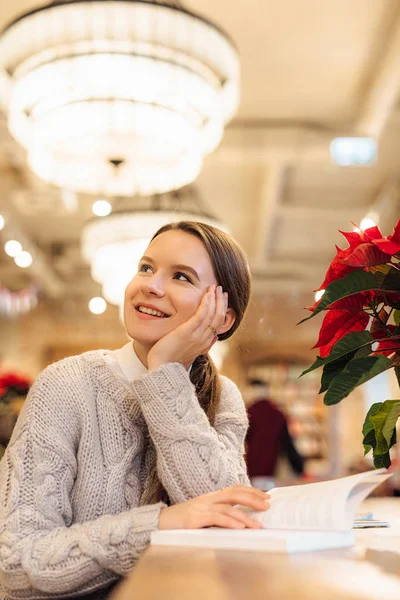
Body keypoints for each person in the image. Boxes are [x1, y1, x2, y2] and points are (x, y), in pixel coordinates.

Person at [0, 221, 270, 600]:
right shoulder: (65, 384)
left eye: (181, 276)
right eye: (146, 267)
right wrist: (159, 525)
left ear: (223, 317)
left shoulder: (223, 396)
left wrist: (164, 375)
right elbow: (16, 565)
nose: (151, 285)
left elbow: (227, 518)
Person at [245, 379, 304, 483]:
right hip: (272, 467)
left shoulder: (249, 412)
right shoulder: (278, 413)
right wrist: (299, 468)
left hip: (251, 468)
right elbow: (287, 443)